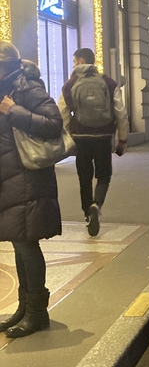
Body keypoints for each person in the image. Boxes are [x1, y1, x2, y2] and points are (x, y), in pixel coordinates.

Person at [0, 42, 62, 337]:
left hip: (27, 178)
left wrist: (15, 112)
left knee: (27, 243)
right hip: (9, 178)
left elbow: (54, 123)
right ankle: (24, 308)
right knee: (18, 241)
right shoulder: (5, 89)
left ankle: (38, 313)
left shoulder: (25, 88)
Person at [58, 48, 129, 236]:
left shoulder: (70, 84)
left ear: (81, 61)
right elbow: (121, 113)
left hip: (81, 138)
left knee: (84, 176)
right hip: (104, 137)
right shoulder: (108, 82)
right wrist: (122, 139)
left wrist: (67, 136)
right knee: (104, 175)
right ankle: (97, 204)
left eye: (74, 61)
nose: (73, 64)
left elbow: (62, 113)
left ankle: (87, 213)